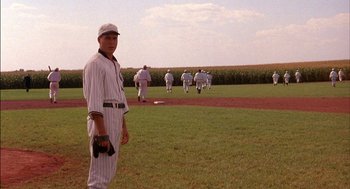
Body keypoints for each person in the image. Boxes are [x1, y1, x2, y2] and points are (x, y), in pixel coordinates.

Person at [83, 23, 129, 189]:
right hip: (102, 118)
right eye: (107, 38)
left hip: (115, 117)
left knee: (108, 169)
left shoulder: (114, 65)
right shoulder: (95, 64)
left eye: (115, 38)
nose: (112, 42)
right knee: (100, 172)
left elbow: (120, 97)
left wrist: (124, 126)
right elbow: (94, 101)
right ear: (99, 40)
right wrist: (102, 133)